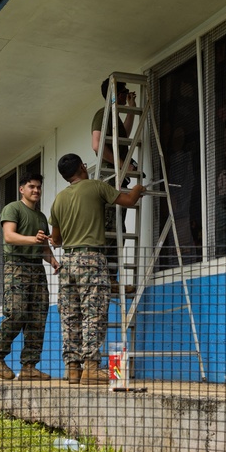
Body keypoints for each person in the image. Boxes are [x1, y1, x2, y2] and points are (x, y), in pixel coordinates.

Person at [49, 153, 144, 385]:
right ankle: (91, 367)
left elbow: (56, 240)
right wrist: (139, 188)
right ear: (82, 166)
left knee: (71, 315)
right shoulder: (96, 186)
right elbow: (129, 201)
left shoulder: (58, 199)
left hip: (67, 262)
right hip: (91, 259)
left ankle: (72, 368)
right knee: (94, 313)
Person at [0, 172, 60, 381]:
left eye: (38, 187)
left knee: (38, 316)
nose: (36, 190)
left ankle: (29, 366)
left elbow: (43, 246)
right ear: (22, 189)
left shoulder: (41, 217)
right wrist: (33, 240)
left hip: (37, 268)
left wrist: (53, 261)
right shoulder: (13, 208)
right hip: (16, 266)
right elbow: (9, 236)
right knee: (16, 313)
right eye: (31, 187)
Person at [92, 78, 138, 292]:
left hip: (118, 178)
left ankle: (111, 278)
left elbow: (124, 136)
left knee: (119, 228)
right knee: (111, 229)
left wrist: (130, 110)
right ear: (115, 94)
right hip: (110, 179)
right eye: (123, 91)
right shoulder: (103, 114)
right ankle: (107, 279)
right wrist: (120, 164)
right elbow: (97, 144)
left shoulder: (114, 118)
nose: (125, 94)